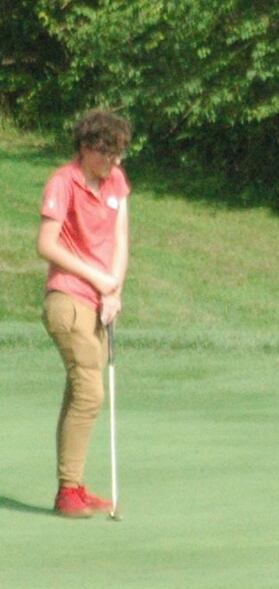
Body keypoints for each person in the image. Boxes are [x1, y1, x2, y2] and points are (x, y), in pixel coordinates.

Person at [37, 108, 132, 517]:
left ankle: (72, 484)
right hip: (67, 298)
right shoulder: (63, 181)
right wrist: (96, 277)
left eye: (117, 155)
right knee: (90, 392)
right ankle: (67, 492)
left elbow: (119, 238)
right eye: (105, 154)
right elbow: (47, 244)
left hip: (97, 300)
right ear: (86, 147)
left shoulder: (116, 181)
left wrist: (114, 290)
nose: (112, 162)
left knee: (81, 390)